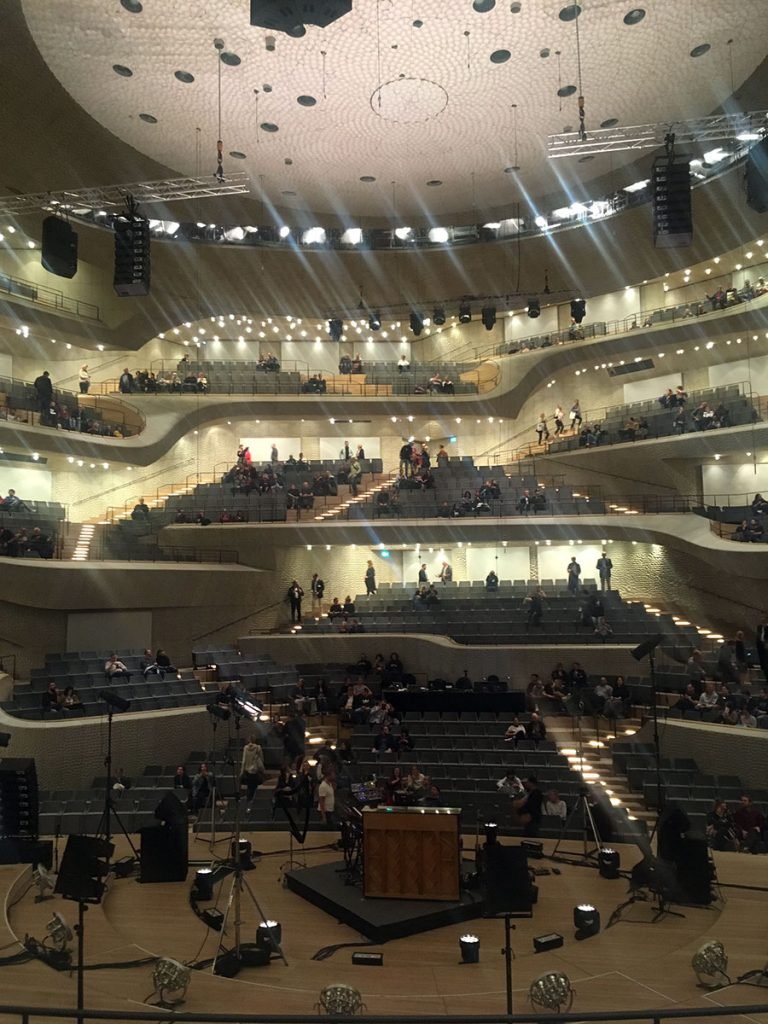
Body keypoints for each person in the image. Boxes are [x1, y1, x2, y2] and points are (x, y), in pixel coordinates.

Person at [241, 736, 265, 811]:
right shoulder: (258, 748)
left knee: (249, 789)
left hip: (248, 772)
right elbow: (261, 759)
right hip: (255, 771)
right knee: (255, 789)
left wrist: (241, 772)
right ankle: (253, 806)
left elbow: (244, 761)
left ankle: (247, 806)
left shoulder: (245, 748)